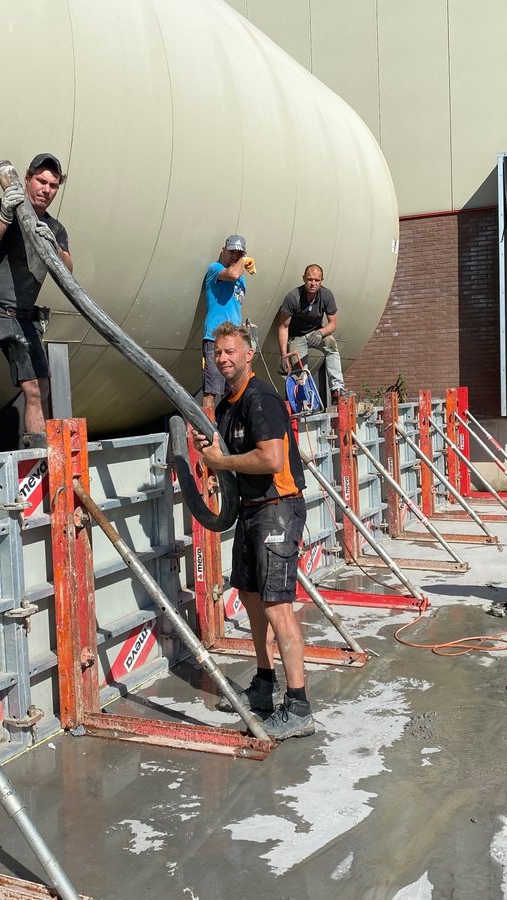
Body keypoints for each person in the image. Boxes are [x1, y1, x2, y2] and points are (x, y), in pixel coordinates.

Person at [193, 322, 315, 740]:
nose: (223, 358)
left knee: (278, 604)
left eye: (231, 351)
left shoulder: (260, 398)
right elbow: (228, 453)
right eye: (218, 353)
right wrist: (213, 453)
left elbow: (271, 459)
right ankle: (264, 685)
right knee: (250, 596)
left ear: (248, 355)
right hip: (250, 510)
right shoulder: (228, 404)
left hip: (277, 509)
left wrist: (220, 463)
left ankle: (298, 706)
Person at [0, 152, 73, 454]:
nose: (46, 189)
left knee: (37, 386)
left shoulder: (55, 229)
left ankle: (36, 455)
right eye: (41, 181)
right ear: (27, 179)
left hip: (22, 315)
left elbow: (68, 275)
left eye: (53, 185)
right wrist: (5, 217)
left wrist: (54, 250)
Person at [276, 264, 344, 403]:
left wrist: (320, 333)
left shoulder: (326, 295)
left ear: (321, 281)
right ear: (303, 279)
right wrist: (284, 356)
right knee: (300, 374)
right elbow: (283, 327)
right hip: (297, 336)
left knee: (331, 345)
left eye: (316, 280)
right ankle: (303, 401)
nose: (313, 283)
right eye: (310, 279)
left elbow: (333, 324)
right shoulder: (293, 297)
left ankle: (337, 389)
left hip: (317, 333)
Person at [201, 235, 254, 411]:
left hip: (234, 339)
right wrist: (244, 260)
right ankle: (207, 434)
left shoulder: (241, 279)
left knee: (233, 388)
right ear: (223, 250)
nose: (235, 257)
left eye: (239, 254)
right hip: (215, 338)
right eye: (232, 252)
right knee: (211, 391)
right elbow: (232, 273)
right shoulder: (215, 269)